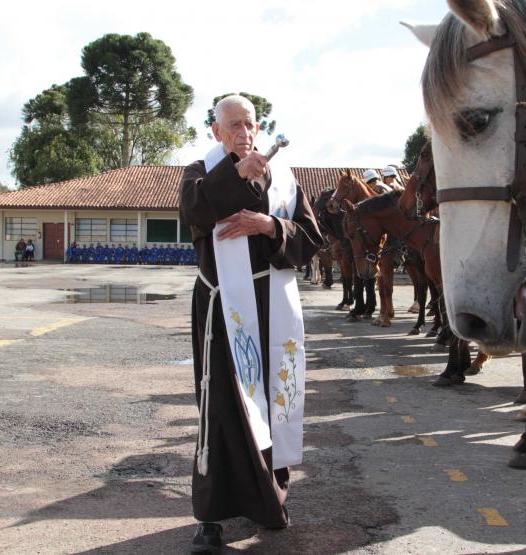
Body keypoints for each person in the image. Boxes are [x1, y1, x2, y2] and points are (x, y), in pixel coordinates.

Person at [179, 94, 322, 554]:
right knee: (222, 406)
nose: (244, 132)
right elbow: (194, 215)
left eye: (250, 123)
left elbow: (312, 241)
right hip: (223, 307)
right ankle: (210, 518)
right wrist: (235, 174)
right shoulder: (200, 171)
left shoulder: (284, 177)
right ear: (216, 132)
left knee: (272, 399)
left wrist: (268, 226)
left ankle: (269, 501)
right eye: (233, 125)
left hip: (272, 305)